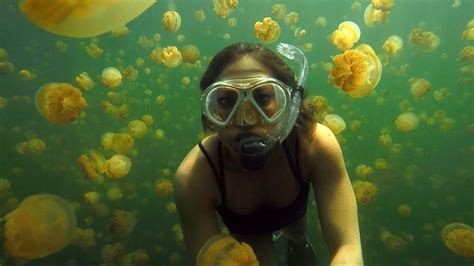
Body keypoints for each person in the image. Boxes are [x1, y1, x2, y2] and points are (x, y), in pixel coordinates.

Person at [174, 42, 363, 266]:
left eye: (262, 98)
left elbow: (349, 247)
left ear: (290, 105)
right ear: (210, 111)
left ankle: (298, 241)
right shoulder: (194, 178)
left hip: (294, 215)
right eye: (226, 101)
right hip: (247, 232)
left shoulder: (314, 144)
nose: (246, 120)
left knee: (296, 231)